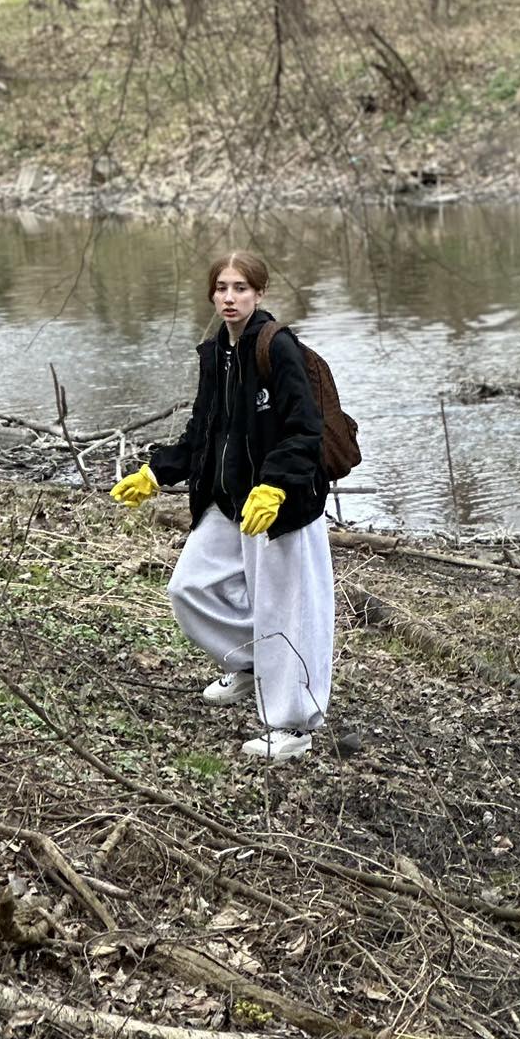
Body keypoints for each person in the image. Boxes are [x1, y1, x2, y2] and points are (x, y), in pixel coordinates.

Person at [110, 251, 345, 765]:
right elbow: (204, 430)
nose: (230, 297)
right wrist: (158, 471)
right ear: (212, 295)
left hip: (278, 506)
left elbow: (305, 430)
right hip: (228, 499)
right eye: (221, 287)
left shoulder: (276, 346)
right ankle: (253, 663)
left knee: (284, 611)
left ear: (259, 293)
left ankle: (292, 725)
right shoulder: (216, 351)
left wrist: (277, 486)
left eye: (241, 287)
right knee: (189, 588)